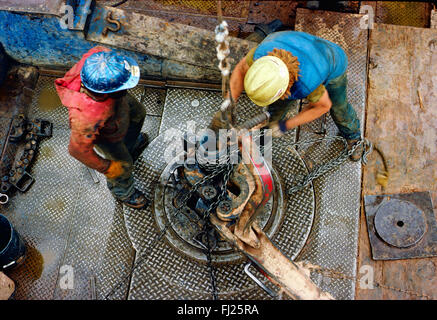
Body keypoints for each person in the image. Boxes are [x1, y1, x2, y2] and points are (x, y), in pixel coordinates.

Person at [230, 30, 364, 161]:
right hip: (297, 43)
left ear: (283, 89)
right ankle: (267, 130)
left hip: (333, 59)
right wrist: (228, 104)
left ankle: (353, 136)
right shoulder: (261, 53)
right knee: (277, 107)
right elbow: (241, 69)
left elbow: (323, 106)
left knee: (339, 107)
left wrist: (286, 125)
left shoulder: (306, 84)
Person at [55, 46, 149, 209]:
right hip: (107, 134)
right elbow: (76, 150)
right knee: (123, 165)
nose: (128, 89)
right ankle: (123, 192)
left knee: (138, 114)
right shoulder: (86, 117)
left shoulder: (99, 58)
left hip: (116, 106)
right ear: (106, 92)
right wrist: (108, 167)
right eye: (125, 87)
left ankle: (131, 146)